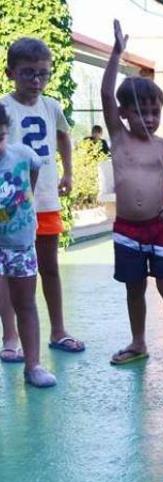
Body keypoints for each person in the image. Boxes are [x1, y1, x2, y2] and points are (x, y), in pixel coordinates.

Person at [101, 20, 163, 372]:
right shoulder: (118, 137)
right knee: (133, 288)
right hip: (127, 228)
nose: (149, 119)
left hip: (159, 228)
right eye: (140, 112)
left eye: (154, 111)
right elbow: (105, 94)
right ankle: (139, 342)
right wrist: (116, 53)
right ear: (124, 113)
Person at [1, 37, 85, 356]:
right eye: (27, 73)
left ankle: (59, 330)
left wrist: (68, 172)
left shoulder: (51, 106)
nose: (36, 81)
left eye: (42, 74)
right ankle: (10, 337)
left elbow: (64, 135)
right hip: (10, 207)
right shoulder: (4, 108)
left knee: (49, 267)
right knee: (8, 271)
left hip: (46, 202)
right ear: (10, 73)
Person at [0, 104, 56, 387]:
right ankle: (8, 338)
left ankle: (32, 365)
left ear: (6, 132)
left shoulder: (21, 155)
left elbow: (32, 171)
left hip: (20, 245)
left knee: (26, 304)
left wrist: (27, 204)